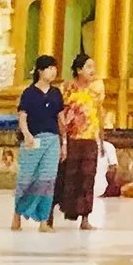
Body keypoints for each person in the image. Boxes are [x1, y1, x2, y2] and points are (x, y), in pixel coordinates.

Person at [13, 55, 64, 229]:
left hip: (52, 140)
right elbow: (23, 117)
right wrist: (27, 134)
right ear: (40, 71)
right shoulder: (29, 93)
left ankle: (43, 220)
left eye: (54, 68)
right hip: (33, 139)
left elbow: (60, 119)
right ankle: (17, 214)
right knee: (27, 178)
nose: (53, 71)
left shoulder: (56, 93)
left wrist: (64, 142)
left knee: (47, 179)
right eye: (49, 68)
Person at [57, 53, 104, 230]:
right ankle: (55, 213)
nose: (93, 71)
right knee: (66, 176)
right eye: (89, 67)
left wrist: (101, 139)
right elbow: (60, 114)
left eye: (94, 67)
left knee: (88, 177)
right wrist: (62, 139)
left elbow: (99, 113)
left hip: (89, 139)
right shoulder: (66, 88)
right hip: (71, 138)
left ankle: (85, 218)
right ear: (79, 70)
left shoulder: (97, 88)